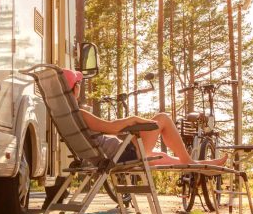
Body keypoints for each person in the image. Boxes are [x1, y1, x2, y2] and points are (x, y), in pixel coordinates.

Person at [63, 68, 226, 166]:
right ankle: (189, 161)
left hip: (115, 154)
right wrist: (134, 119)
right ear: (74, 88)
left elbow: (110, 128)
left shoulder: (69, 116)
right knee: (163, 118)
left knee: (162, 156)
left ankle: (200, 164)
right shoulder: (80, 114)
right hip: (122, 154)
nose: (79, 87)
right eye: (78, 84)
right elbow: (111, 128)